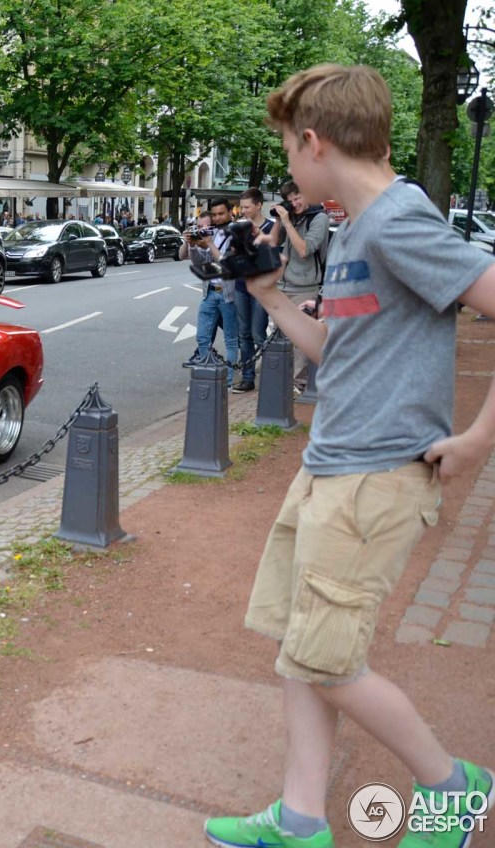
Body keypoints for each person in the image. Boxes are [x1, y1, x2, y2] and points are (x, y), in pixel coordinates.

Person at [204, 63, 495, 848]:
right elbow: (338, 351)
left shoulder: (399, 220)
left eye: (286, 152)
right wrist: (266, 295)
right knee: (303, 648)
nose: (288, 172)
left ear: (312, 141)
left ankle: (453, 787)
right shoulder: (360, 228)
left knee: (331, 663)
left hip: (375, 480)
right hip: (329, 467)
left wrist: (476, 440)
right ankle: (300, 819)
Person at [269, 179, 330, 394]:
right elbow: (273, 243)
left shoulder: (319, 218)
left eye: (298, 198)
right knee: (280, 340)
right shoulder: (291, 218)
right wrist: (279, 219)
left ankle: (298, 387)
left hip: (305, 288)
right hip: (283, 286)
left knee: (301, 344)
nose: (295, 204)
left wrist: (287, 222)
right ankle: (283, 384)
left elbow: (305, 250)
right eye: (290, 201)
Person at [230, 187, 276, 393]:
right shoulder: (239, 228)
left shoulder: (272, 227)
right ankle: (248, 378)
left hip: (261, 288)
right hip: (241, 285)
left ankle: (271, 375)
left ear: (259, 205)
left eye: (247, 207)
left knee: (259, 332)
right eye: (242, 207)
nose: (243, 211)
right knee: (244, 333)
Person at [189, 198, 240, 385]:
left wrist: (209, 243)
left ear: (230, 213)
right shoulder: (214, 233)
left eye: (221, 214)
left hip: (229, 294)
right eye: (215, 214)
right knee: (202, 337)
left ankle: (226, 381)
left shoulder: (236, 234)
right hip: (210, 291)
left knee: (230, 340)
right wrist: (193, 245)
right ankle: (207, 374)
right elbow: (200, 262)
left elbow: (227, 263)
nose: (217, 218)